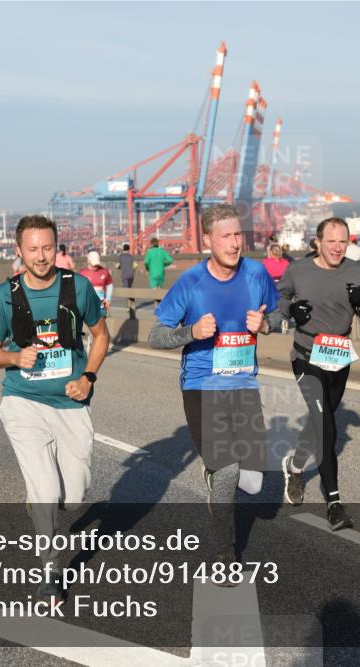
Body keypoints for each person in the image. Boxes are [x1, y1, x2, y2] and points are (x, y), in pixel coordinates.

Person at [0, 215, 110, 601]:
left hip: (71, 405)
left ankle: (47, 504)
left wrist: (88, 376)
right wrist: (12, 358)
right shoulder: (5, 295)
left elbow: (101, 335)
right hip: (23, 403)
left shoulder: (79, 287)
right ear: (18, 251)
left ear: (58, 247)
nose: (41, 256)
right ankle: (50, 571)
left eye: (48, 248)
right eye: (33, 249)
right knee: (45, 491)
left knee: (72, 497)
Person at [148, 204, 279, 574]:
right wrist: (192, 333)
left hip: (244, 384)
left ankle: (215, 475)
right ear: (207, 240)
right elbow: (155, 335)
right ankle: (224, 553)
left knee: (253, 484)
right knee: (228, 471)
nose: (235, 243)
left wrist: (266, 324)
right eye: (226, 236)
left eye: (239, 234)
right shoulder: (190, 283)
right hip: (201, 386)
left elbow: (281, 313)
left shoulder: (256, 273)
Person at [274, 218, 360, 531]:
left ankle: (294, 466)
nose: (337, 247)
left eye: (342, 241)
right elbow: (279, 301)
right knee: (326, 426)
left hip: (338, 358)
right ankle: (334, 503)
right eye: (330, 241)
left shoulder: (356, 271)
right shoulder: (299, 270)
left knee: (322, 420)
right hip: (306, 357)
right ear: (317, 242)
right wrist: (292, 312)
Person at [116, 243, 137, 316]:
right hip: (131, 275)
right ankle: (132, 303)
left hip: (124, 275)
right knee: (130, 289)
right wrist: (132, 270)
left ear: (123, 249)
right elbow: (135, 266)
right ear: (129, 249)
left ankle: (128, 307)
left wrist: (120, 267)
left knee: (125, 291)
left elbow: (117, 266)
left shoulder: (120, 257)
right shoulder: (131, 257)